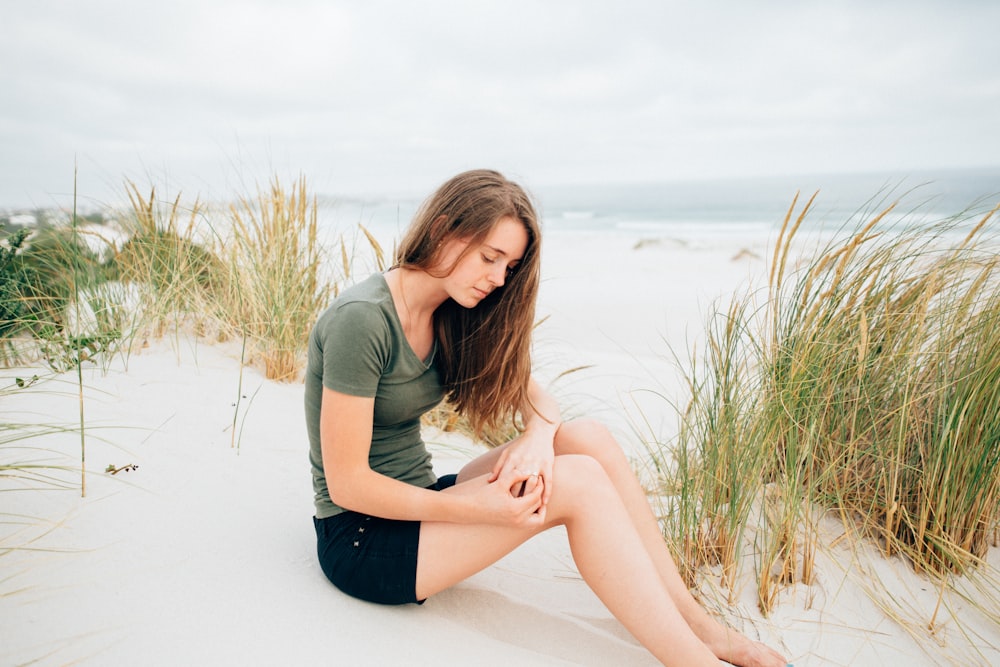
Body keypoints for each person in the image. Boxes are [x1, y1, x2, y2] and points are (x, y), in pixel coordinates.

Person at [305, 169, 789, 667]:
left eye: (509, 266)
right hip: (363, 538)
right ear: (443, 229)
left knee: (587, 439)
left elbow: (537, 401)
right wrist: (481, 510)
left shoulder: (453, 312)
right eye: (490, 257)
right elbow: (348, 486)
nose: (497, 279)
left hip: (426, 502)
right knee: (576, 484)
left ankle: (699, 625)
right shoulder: (363, 320)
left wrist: (538, 437)